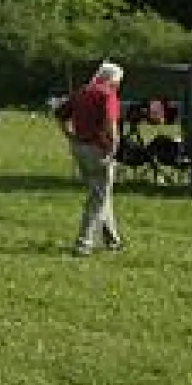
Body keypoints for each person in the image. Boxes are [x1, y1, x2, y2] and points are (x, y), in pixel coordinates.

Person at [55, 61, 127, 257]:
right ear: (111, 80)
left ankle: (112, 240)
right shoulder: (108, 95)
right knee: (98, 198)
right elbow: (111, 125)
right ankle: (83, 243)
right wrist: (114, 149)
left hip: (79, 148)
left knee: (102, 193)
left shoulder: (82, 91)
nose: (118, 86)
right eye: (118, 82)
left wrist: (69, 135)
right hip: (98, 149)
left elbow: (60, 114)